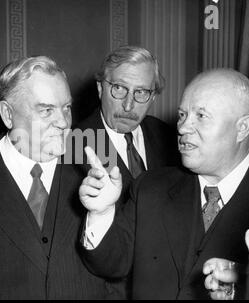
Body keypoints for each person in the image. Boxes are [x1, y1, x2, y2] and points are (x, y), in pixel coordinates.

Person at [78, 68, 249, 299]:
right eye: (182, 115)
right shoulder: (150, 188)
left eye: (201, 116)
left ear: (242, 127)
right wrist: (101, 213)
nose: (182, 128)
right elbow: (111, 266)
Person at [0, 56, 118, 299]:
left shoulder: (97, 172)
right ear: (8, 114)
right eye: (46, 110)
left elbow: (118, 273)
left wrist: (102, 215)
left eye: (66, 108)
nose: (63, 122)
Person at [76, 45, 179, 204]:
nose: (128, 105)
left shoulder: (167, 136)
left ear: (153, 97)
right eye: (118, 88)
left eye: (141, 92)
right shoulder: (73, 143)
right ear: (100, 88)